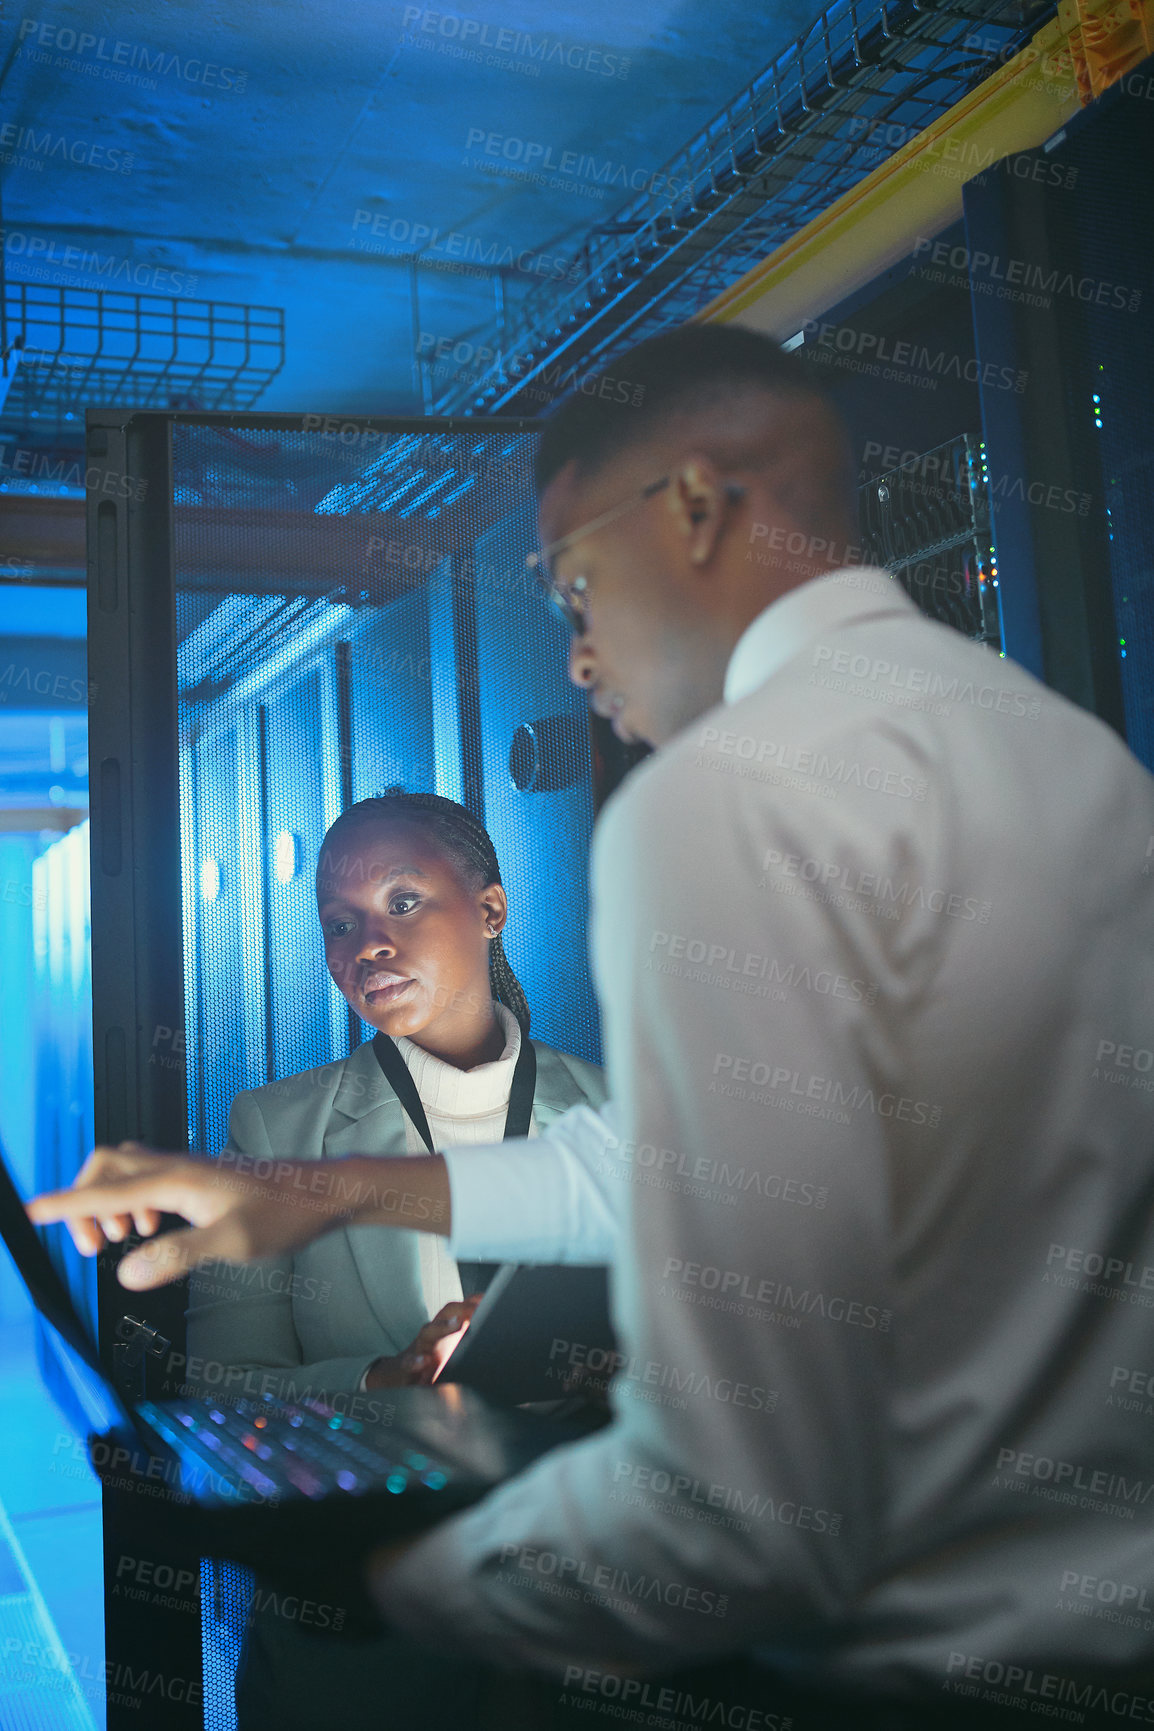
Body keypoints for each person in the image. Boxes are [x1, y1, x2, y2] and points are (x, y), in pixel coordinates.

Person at [34, 325, 1154, 1729]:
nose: (571, 654)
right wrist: (319, 1191)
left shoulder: (722, 797)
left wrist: (403, 1563)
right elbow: (689, 1162)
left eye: (571, 583)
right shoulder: (1064, 754)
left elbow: (736, 1503)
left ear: (692, 505)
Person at [188, 787, 606, 1731]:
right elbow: (221, 1398)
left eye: (403, 902)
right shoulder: (273, 1131)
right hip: (363, 1649)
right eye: (341, 922)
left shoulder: (623, 1119)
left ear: (491, 909)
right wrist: (385, 1378)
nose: (367, 941)